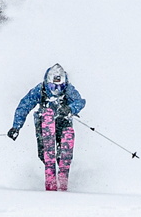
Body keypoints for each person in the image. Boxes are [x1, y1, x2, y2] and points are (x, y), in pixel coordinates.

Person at [8, 63, 86, 191]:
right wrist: (16, 127)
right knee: (43, 151)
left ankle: (62, 161)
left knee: (64, 136)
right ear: (47, 82)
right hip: (43, 124)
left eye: (60, 86)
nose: (56, 90)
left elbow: (80, 101)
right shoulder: (40, 90)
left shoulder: (69, 90)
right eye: (52, 86)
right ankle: (48, 161)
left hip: (62, 121)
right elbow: (24, 105)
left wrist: (69, 108)